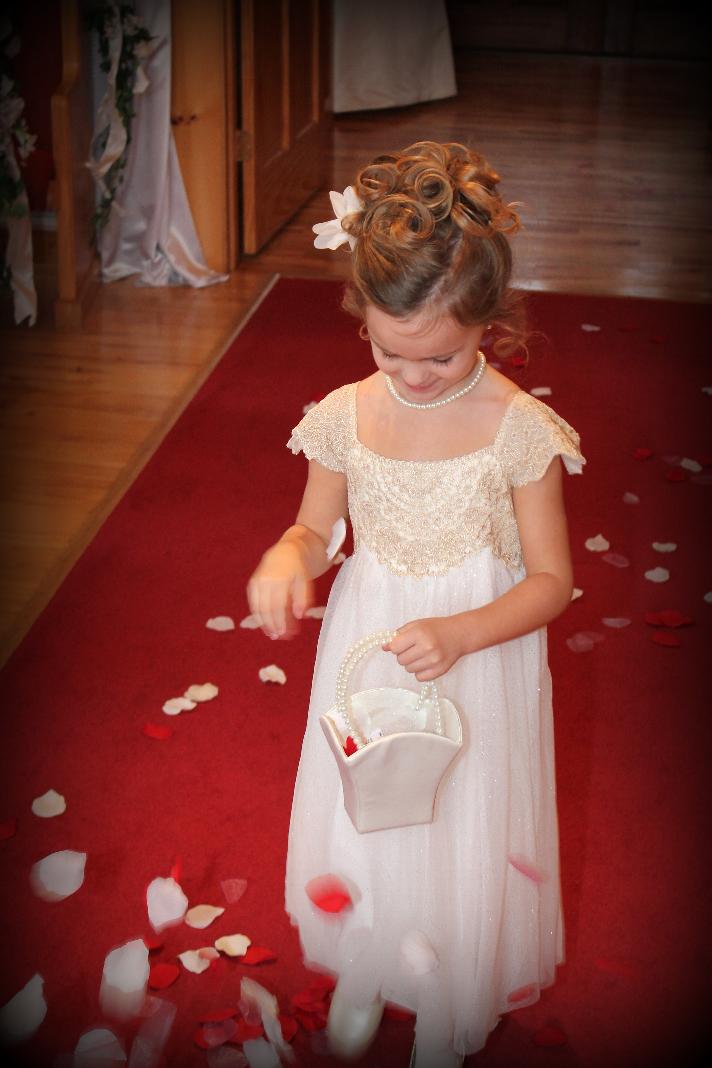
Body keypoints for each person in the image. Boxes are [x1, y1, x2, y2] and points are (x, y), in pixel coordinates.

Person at [247, 141, 585, 1067]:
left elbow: (553, 581)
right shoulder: (345, 413)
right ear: (363, 323)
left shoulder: (520, 430)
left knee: (461, 813)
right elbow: (314, 531)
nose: (416, 377)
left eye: (440, 356)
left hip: (475, 648)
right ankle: (369, 955)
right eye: (392, 355)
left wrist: (462, 630)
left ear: (489, 324)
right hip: (375, 637)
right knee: (373, 803)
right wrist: (288, 557)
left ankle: (449, 991)